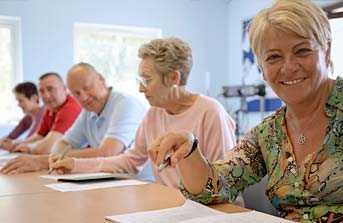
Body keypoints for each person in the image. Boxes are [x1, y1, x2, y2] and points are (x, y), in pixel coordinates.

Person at [146, 1, 343, 222]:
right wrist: (189, 149)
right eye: (273, 57)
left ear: (326, 50)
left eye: (302, 51)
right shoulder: (268, 134)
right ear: (261, 68)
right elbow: (214, 188)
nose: (289, 67)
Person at [50, 38, 240, 198]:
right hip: (173, 207)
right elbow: (130, 161)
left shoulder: (211, 112)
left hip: (210, 210)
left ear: (174, 78)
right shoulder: (154, 113)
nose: (141, 88)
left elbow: (224, 183)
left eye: (147, 80)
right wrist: (75, 164)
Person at [0, 64, 147, 174]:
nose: (82, 97)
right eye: (76, 93)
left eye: (87, 87)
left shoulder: (125, 104)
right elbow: (64, 142)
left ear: (101, 80)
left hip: (139, 183)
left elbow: (108, 152)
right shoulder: (88, 111)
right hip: (110, 179)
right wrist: (55, 159)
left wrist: (45, 161)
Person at [9, 72, 81, 154]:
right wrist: (17, 145)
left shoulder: (70, 108)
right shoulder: (50, 108)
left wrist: (28, 147)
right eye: (42, 91)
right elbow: (39, 136)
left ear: (64, 89)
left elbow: (46, 148)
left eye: (50, 89)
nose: (46, 95)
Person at [0, 82, 44, 151]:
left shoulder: (43, 114)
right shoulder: (28, 117)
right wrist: (3, 142)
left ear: (34, 98)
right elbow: (11, 136)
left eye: (21, 101)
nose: (18, 104)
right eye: (18, 101)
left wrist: (12, 144)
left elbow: (32, 140)